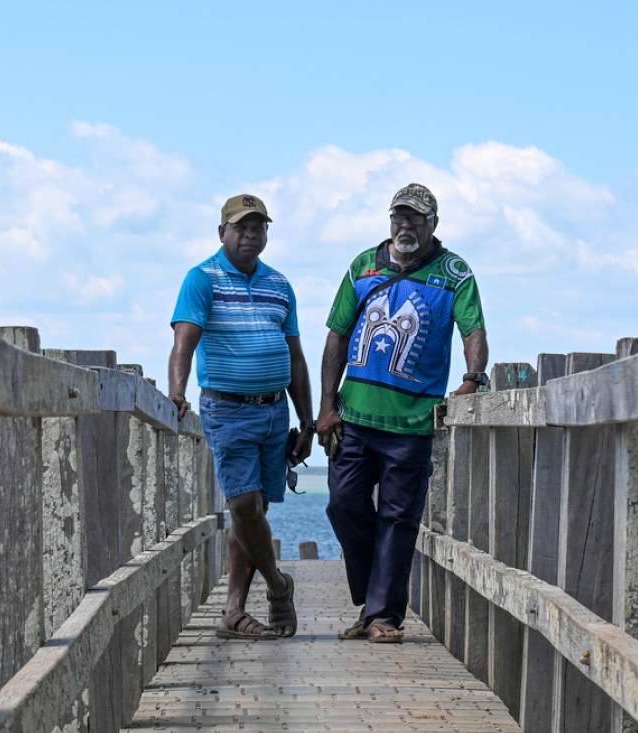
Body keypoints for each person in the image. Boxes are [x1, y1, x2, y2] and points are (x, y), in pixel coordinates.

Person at [317, 183, 489, 644]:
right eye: (399, 217)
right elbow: (336, 336)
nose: (405, 225)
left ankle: (382, 616)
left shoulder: (454, 272)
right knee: (342, 503)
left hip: (412, 424)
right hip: (354, 416)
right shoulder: (363, 265)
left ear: (434, 224)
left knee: (398, 518)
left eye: (415, 218)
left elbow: (473, 329)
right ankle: (374, 593)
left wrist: (474, 375)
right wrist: (326, 406)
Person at [169, 193, 315, 640]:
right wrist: (176, 393)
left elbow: (295, 358)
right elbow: (184, 344)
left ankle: (233, 611)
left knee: (254, 511)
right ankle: (276, 584)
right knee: (243, 504)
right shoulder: (203, 279)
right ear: (222, 233)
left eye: (259, 228)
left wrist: (307, 422)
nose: (250, 236)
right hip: (227, 408)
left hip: (274, 410)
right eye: (241, 228)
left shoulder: (279, 284)